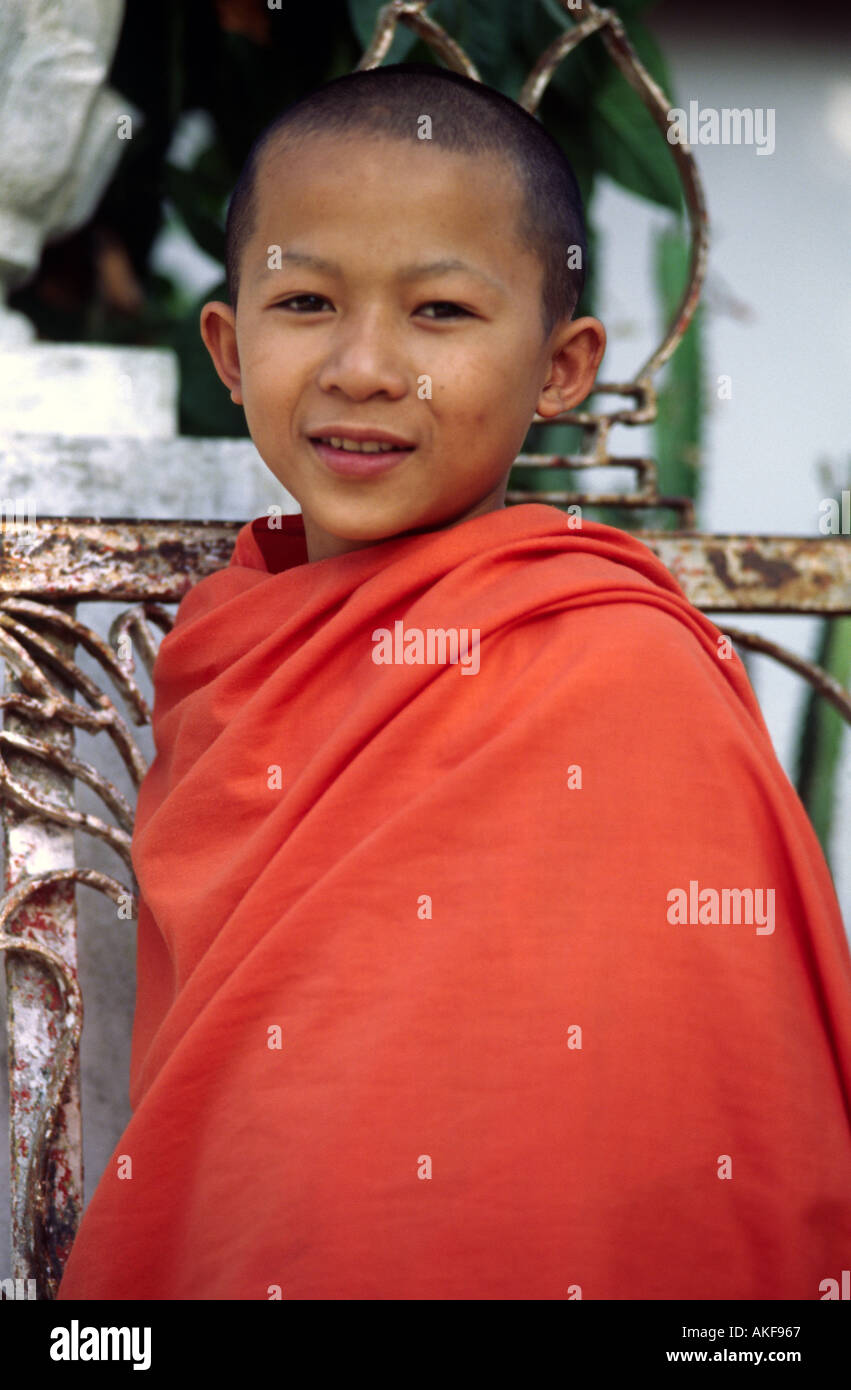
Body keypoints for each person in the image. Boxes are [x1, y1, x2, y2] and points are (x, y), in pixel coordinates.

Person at [57, 61, 851, 1301]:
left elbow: (694, 1096)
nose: (367, 366)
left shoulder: (619, 670)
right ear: (226, 343)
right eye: (306, 299)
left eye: (440, 313)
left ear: (561, 364)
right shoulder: (224, 653)